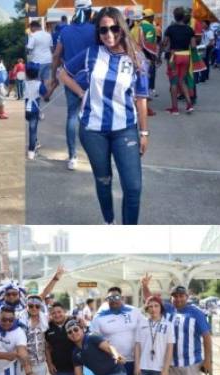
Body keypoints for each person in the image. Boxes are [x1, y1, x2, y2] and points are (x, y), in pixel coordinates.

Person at [59, 7, 149, 225]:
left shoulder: (136, 58)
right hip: (92, 130)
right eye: (103, 30)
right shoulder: (91, 53)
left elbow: (141, 99)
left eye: (114, 28)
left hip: (125, 129)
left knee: (133, 188)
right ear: (97, 32)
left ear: (122, 28)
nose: (109, 34)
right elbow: (63, 73)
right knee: (103, 180)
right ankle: (108, 222)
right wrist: (81, 93)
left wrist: (144, 132)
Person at [50, 0, 97, 170]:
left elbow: (56, 55)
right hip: (93, 79)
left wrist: (53, 77)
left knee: (72, 116)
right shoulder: (95, 30)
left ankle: (72, 157)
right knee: (93, 116)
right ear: (90, 11)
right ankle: (95, 155)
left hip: (70, 79)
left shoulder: (65, 31)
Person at [159, 7, 196, 114]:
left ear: (175, 17)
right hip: (186, 56)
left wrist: (159, 55)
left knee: (174, 82)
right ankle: (189, 105)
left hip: (174, 56)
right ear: (184, 16)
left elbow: (164, 43)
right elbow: (193, 46)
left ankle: (175, 108)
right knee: (182, 81)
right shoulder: (189, 29)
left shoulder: (170, 28)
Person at [25, 63, 50, 160]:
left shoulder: (24, 84)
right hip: (34, 112)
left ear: (26, 74)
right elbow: (46, 97)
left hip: (25, 111)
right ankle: (31, 152)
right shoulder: (40, 84)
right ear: (38, 74)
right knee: (32, 131)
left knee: (32, 129)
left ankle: (35, 142)